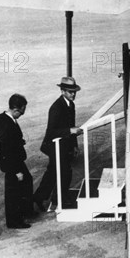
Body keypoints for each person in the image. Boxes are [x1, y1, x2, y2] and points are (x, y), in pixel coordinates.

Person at [33, 77, 83, 210]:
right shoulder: (56, 107)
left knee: (53, 173)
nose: (73, 94)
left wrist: (75, 145)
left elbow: (71, 126)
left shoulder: (71, 105)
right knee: (65, 171)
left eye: (74, 92)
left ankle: (39, 197)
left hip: (64, 145)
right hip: (53, 145)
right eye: (69, 91)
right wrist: (69, 131)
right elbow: (50, 132)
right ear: (62, 91)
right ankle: (60, 199)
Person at [0, 94, 32, 229]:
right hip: (13, 164)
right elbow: (8, 148)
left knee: (26, 182)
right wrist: (17, 170)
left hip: (14, 161)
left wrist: (19, 141)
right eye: (21, 112)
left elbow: (11, 140)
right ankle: (14, 221)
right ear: (16, 109)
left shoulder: (3, 118)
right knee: (13, 193)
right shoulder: (7, 123)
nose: (21, 115)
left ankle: (23, 213)